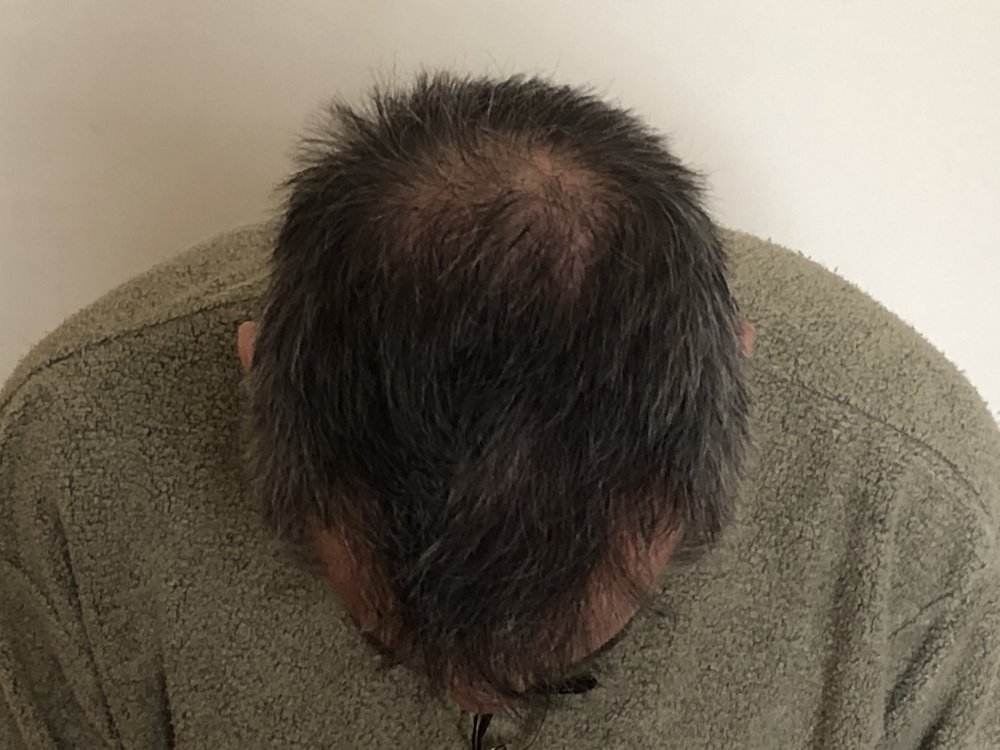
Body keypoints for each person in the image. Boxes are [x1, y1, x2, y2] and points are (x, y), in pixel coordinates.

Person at [1, 71, 998, 750]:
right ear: (260, 384)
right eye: (389, 638)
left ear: (731, 386)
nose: (474, 692)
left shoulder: (930, 520)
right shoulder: (64, 468)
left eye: (570, 651)